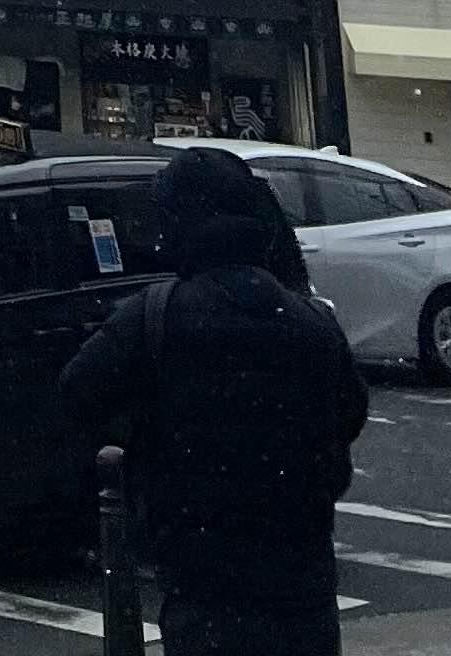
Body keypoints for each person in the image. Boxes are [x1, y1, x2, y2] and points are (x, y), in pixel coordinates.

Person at [61, 143, 366, 656]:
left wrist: (148, 443)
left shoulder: (153, 317)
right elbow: (349, 413)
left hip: (202, 581)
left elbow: (78, 393)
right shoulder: (311, 321)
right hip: (301, 581)